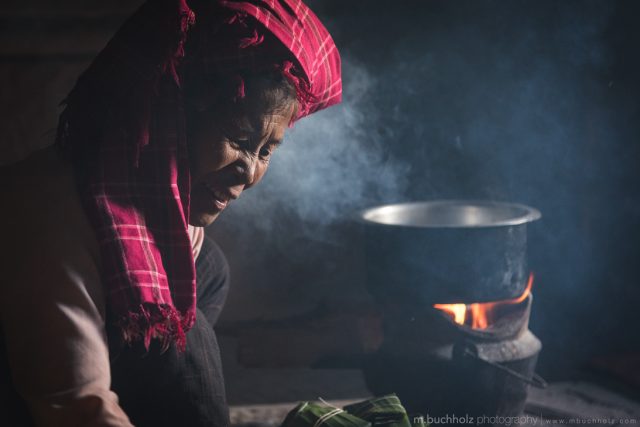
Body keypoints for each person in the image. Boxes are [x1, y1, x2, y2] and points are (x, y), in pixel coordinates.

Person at [0, 0, 341, 425]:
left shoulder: (145, 177)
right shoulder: (58, 222)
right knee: (186, 344)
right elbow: (72, 403)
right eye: (238, 139)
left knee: (209, 269)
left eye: (266, 150)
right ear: (170, 120)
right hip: (26, 380)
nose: (249, 172)